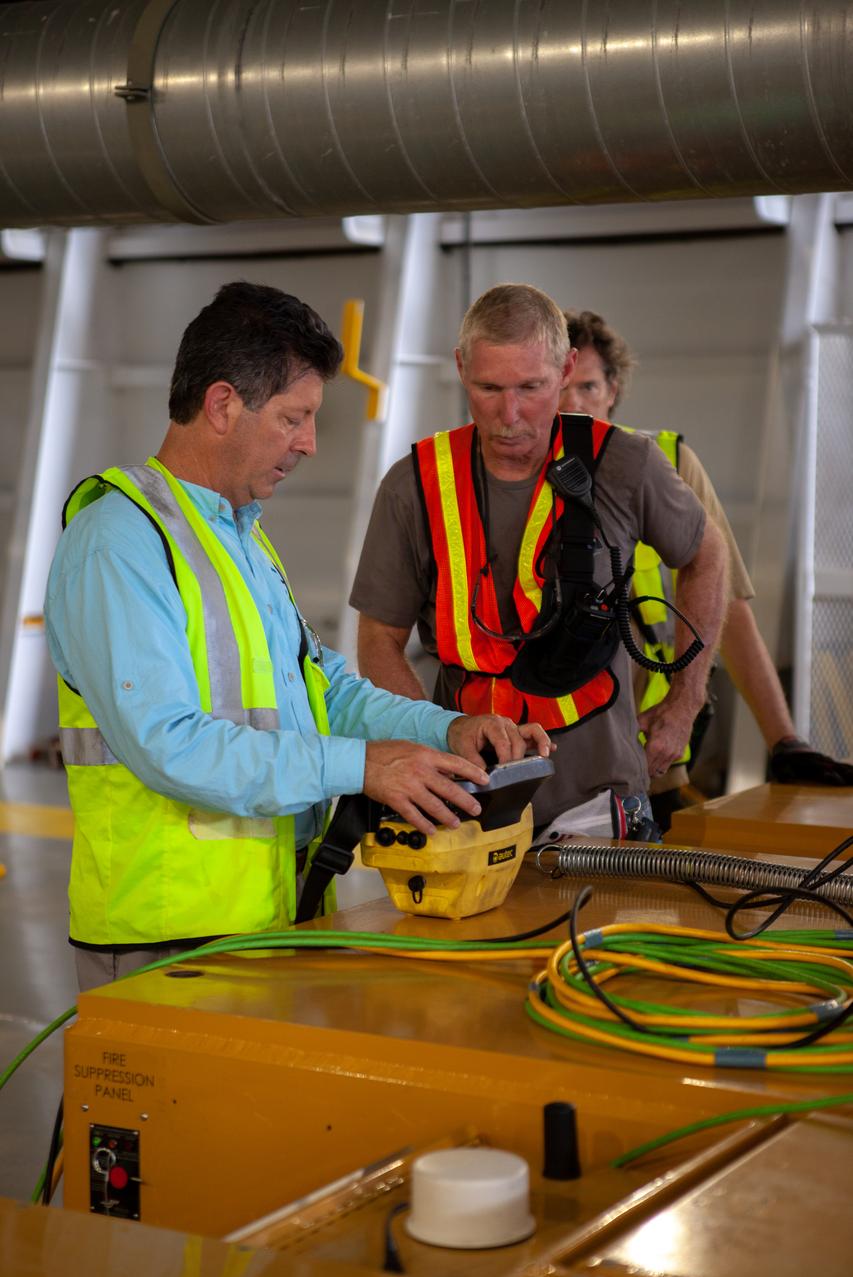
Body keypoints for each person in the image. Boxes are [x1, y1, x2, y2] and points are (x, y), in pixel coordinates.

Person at [45, 282, 550, 990]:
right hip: (164, 943)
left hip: (265, 923)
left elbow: (325, 691)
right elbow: (168, 744)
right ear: (222, 404)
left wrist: (448, 730)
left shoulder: (237, 537)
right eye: (294, 418)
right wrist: (362, 767)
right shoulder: (119, 541)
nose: (309, 443)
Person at [350, 284, 728, 840]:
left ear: (567, 367)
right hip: (466, 802)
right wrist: (436, 734)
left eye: (532, 387)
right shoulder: (416, 486)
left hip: (598, 802)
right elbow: (378, 640)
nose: (510, 416)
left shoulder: (624, 463)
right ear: (460, 368)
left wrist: (685, 700)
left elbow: (708, 555)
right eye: (488, 388)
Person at [560, 308, 853, 828]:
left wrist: (783, 741)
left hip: (648, 757)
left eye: (586, 387)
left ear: (613, 388)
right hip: (544, 761)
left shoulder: (665, 462)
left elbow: (727, 609)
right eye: (558, 386)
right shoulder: (505, 474)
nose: (572, 406)